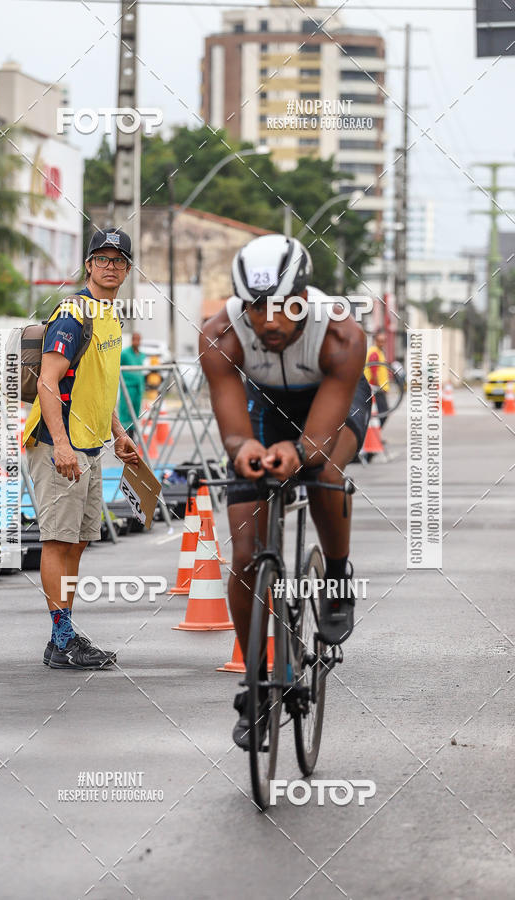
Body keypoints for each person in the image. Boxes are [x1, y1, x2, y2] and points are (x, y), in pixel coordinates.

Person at [199, 234, 370, 748]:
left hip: (329, 406)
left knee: (322, 476)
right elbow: (234, 433)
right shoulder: (221, 334)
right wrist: (245, 449)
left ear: (303, 295)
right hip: (263, 406)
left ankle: (337, 576)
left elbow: (316, 442)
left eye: (282, 307)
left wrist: (302, 452)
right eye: (257, 308)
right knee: (246, 556)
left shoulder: (341, 335)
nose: (270, 322)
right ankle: (257, 682)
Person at [22, 228, 140, 670]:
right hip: (60, 447)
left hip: (90, 446)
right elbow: (49, 383)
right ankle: (62, 638)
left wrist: (118, 432)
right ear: (89, 265)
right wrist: (62, 445)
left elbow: (99, 386)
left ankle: (63, 635)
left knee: (78, 543)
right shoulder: (73, 314)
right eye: (102, 258)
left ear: (127, 269)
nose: (110, 265)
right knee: (57, 540)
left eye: (118, 259)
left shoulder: (110, 315)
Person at [119, 331, 146, 440]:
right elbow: (118, 367)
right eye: (134, 339)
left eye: (138, 339)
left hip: (138, 388)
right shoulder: (125, 353)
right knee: (125, 412)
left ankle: (132, 437)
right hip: (128, 387)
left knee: (135, 412)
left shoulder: (141, 355)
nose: (136, 342)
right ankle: (124, 437)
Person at [365, 328, 390, 427]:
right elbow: (373, 371)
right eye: (380, 341)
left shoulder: (379, 351)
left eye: (384, 341)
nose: (382, 343)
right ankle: (375, 435)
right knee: (383, 412)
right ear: (375, 340)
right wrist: (378, 387)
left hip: (378, 387)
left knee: (380, 413)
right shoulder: (374, 352)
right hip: (376, 388)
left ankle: (376, 435)